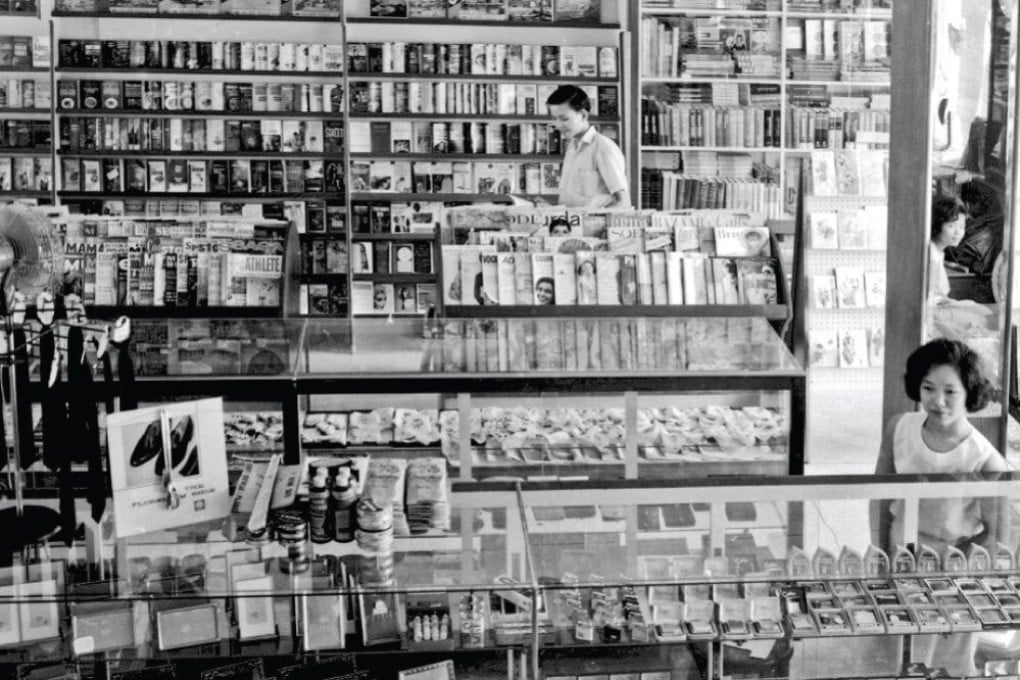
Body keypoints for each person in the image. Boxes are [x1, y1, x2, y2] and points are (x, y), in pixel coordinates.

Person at [871, 339, 1009, 676]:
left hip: (955, 570)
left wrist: (979, 586)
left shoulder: (984, 457)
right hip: (901, 555)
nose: (938, 401)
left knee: (950, 662)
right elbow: (878, 495)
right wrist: (878, 551)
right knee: (900, 651)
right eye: (928, 387)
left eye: (951, 391)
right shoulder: (899, 428)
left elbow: (996, 537)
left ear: (970, 394)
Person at [546, 85, 630, 209]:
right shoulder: (571, 147)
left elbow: (623, 203)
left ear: (584, 115)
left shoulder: (603, 147)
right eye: (554, 118)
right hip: (571, 226)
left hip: (593, 226)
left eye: (564, 119)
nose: (558, 125)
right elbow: (573, 202)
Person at [928, 194, 966, 304]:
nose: (958, 232)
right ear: (938, 224)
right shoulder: (932, 254)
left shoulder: (937, 251)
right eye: (951, 226)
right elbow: (928, 298)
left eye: (961, 227)